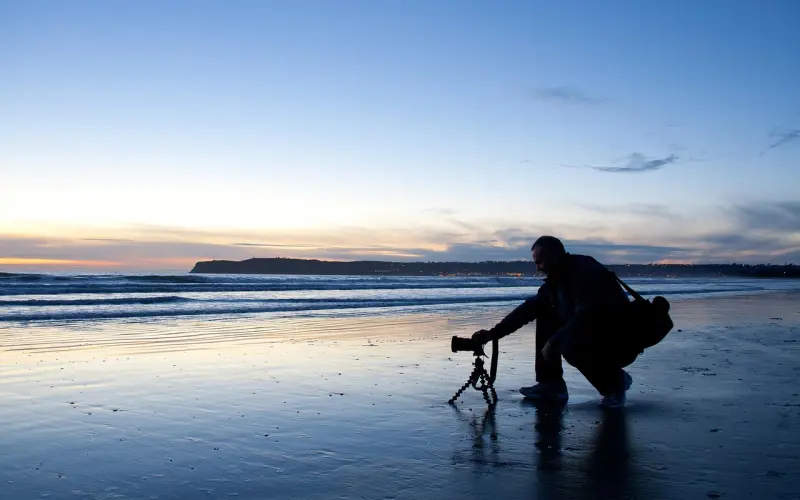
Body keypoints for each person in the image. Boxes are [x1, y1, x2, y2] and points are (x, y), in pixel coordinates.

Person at [472, 236, 636, 408]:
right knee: (545, 313)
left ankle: (615, 384)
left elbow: (588, 315)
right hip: (595, 333)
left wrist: (554, 341)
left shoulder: (585, 271)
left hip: (619, 339)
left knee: (568, 344)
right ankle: (551, 384)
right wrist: (493, 333)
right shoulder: (556, 281)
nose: (537, 268)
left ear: (555, 255)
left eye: (540, 262)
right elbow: (527, 310)